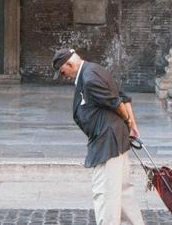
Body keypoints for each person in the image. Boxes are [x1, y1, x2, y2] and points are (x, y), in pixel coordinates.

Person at [53, 48, 145, 225]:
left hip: (107, 142)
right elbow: (123, 97)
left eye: (62, 72)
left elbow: (118, 102)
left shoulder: (89, 78)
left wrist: (129, 122)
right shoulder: (94, 69)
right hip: (112, 139)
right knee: (122, 193)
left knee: (105, 194)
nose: (63, 76)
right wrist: (132, 126)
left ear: (69, 64)